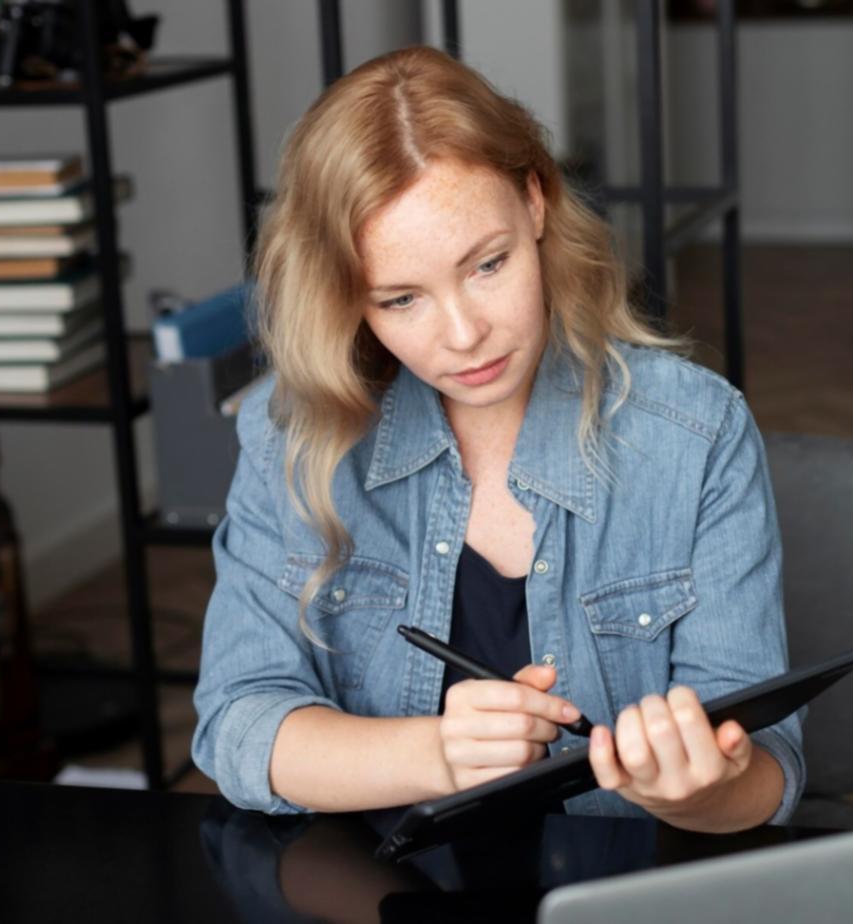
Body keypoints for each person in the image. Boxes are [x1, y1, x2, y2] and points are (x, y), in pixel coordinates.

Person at [192, 45, 804, 833]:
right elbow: (238, 727)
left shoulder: (696, 435)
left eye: (487, 264)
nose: (463, 336)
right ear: (349, 297)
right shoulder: (291, 434)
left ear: (536, 201)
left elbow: (769, 775)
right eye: (401, 298)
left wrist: (694, 791)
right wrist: (438, 755)